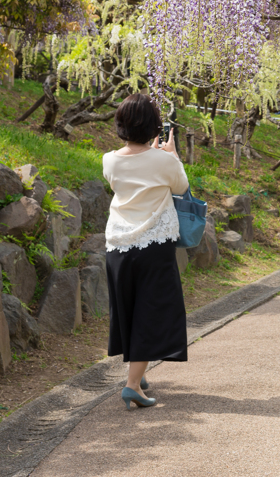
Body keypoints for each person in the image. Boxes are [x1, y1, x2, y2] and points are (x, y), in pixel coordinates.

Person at [103, 93, 190, 410]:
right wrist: (172, 155)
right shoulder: (163, 160)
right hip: (154, 246)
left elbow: (125, 176)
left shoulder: (109, 160)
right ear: (154, 127)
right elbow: (180, 186)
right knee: (151, 311)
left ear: (122, 126)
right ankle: (132, 386)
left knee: (128, 308)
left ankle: (137, 375)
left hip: (118, 246)